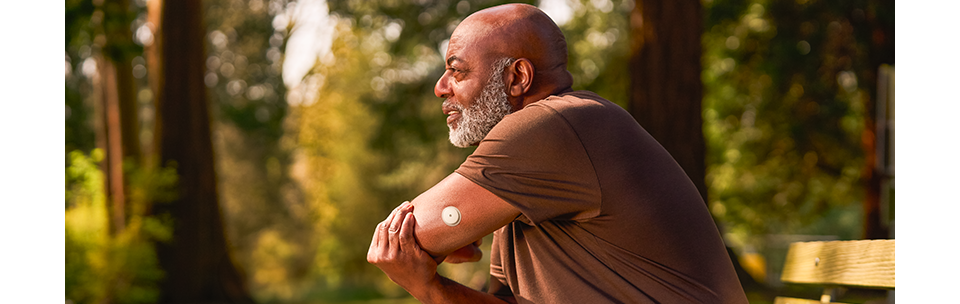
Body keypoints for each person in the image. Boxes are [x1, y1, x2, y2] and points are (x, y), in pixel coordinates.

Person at [367, 3, 748, 303]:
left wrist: (438, 245)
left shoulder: (551, 125)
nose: (441, 87)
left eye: (458, 72)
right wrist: (430, 288)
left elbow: (408, 237)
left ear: (517, 78)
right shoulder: (527, 181)